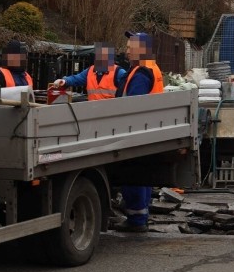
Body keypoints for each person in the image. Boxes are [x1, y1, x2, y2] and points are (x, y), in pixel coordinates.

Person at [113, 31, 164, 233]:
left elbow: (133, 104)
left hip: (135, 130)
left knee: (133, 176)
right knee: (142, 176)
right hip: (148, 129)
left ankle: (136, 219)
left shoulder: (142, 73)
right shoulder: (148, 68)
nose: (126, 51)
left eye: (129, 47)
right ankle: (141, 216)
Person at [52, 42, 126, 101]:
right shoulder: (90, 71)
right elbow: (76, 78)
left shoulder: (119, 73)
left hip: (111, 114)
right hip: (92, 112)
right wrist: (64, 81)